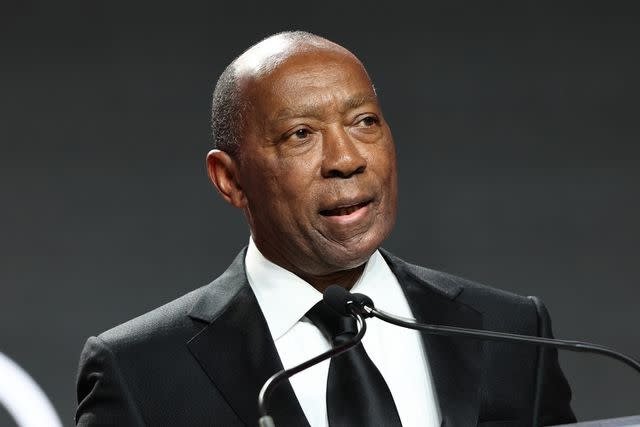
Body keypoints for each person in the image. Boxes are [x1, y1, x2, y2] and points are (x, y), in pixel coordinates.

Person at [75, 31, 576, 427]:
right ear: (230, 179)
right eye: (301, 135)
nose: (346, 159)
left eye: (364, 122)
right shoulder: (142, 371)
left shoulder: (511, 332)